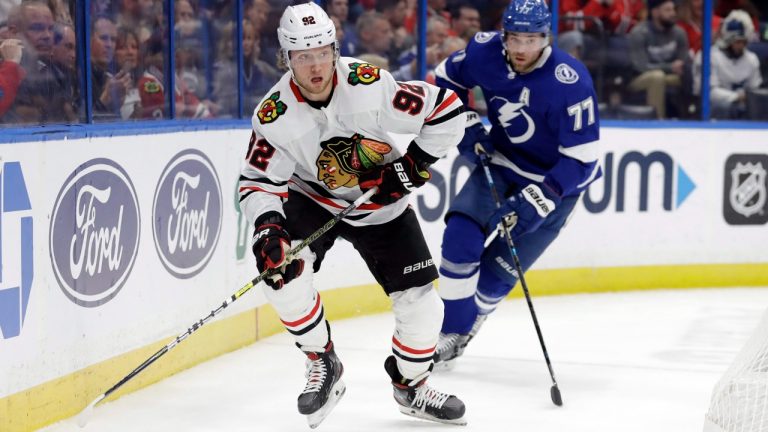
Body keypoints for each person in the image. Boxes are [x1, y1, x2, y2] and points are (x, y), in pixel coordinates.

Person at [238, 2, 467, 428]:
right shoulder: (273, 115)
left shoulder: (370, 83)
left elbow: (448, 109)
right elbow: (256, 182)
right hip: (313, 199)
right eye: (302, 57)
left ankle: (411, 386)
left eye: (322, 52)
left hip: (380, 204)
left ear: (335, 49)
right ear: (285, 60)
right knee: (281, 272)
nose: (315, 65)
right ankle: (323, 362)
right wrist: (268, 227)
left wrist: (412, 162)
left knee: (424, 308)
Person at [431, 0, 601, 369]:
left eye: (532, 39)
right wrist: (467, 124)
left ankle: (472, 323)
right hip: (502, 163)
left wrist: (546, 195)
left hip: (557, 184)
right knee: (460, 233)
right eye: (515, 38)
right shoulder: (485, 51)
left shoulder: (570, 82)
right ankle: (450, 331)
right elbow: (446, 76)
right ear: (504, 35)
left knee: (501, 270)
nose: (522, 49)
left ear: (547, 37)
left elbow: (584, 159)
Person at [693, 9, 762, 119]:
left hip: (743, 110)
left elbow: (754, 89)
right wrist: (737, 97)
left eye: (744, 42)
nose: (741, 46)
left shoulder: (752, 59)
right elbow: (708, 93)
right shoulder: (708, 56)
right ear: (728, 40)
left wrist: (749, 98)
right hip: (715, 110)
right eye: (737, 41)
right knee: (725, 108)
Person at [627, 0, 690, 119]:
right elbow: (641, 66)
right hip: (637, 78)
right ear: (655, 12)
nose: (673, 13)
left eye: (673, 9)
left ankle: (691, 115)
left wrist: (681, 67)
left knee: (689, 76)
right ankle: (657, 120)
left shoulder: (679, 33)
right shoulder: (640, 32)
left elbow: (683, 62)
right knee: (657, 76)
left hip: (669, 76)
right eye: (668, 10)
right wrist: (670, 67)